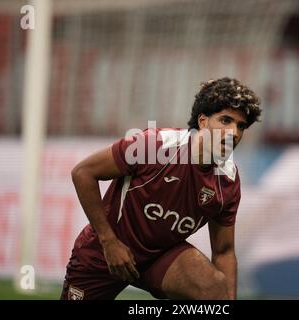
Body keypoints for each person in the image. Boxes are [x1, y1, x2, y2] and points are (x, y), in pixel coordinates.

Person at [60, 77, 262, 300]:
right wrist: (109, 242)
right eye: (226, 120)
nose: (234, 132)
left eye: (241, 126)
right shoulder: (154, 145)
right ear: (203, 121)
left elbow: (223, 252)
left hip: (161, 258)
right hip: (105, 253)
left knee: (213, 288)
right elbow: (83, 173)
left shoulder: (228, 181)